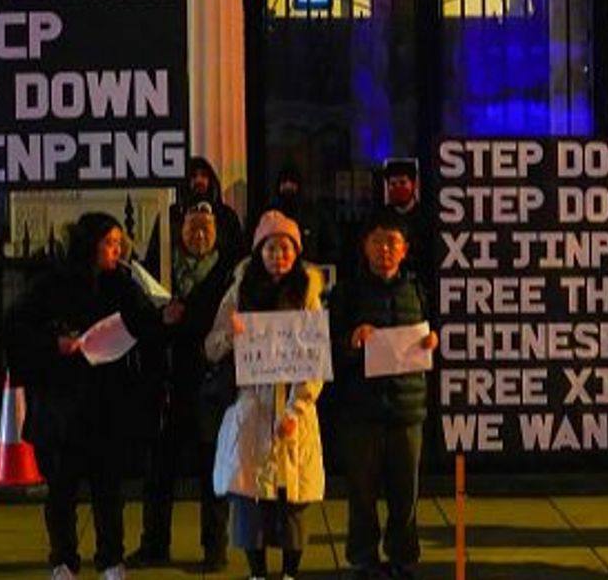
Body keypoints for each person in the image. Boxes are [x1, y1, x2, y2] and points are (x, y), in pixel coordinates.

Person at [4, 212, 174, 580]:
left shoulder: (123, 283)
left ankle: (110, 559)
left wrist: (163, 320)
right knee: (62, 490)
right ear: (89, 244)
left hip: (107, 403)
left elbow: (144, 325)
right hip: (61, 402)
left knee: (108, 488)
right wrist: (55, 342)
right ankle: (63, 559)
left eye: (118, 243)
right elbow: (16, 326)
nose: (115, 251)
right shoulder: (52, 283)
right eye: (108, 243)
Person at [205, 211, 326, 580]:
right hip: (250, 407)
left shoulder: (308, 295)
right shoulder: (239, 291)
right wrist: (232, 336)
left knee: (294, 499)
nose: (279, 255)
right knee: (249, 498)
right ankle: (257, 572)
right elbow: (211, 347)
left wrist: (296, 408)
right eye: (271, 247)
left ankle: (290, 572)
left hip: (292, 411)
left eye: (286, 248)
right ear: (259, 251)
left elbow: (314, 362)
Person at [129, 196, 239, 572]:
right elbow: (140, 322)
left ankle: (214, 547)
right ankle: (153, 543)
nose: (199, 234)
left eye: (206, 228)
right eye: (192, 226)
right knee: (160, 470)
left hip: (209, 385)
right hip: (168, 384)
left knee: (213, 471)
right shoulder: (160, 269)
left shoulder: (228, 273)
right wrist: (163, 319)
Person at [331, 211, 437, 580]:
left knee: (405, 494)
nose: (384, 250)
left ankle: (403, 557)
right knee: (362, 494)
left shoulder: (418, 290)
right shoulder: (347, 292)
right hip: (361, 411)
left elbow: (431, 335)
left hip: (408, 410)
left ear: (404, 249)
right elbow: (326, 350)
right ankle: (363, 558)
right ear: (365, 247)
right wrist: (350, 340)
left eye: (392, 242)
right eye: (377, 242)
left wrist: (431, 341)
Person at [145, 157, 247, 278]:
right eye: (193, 176)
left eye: (204, 176)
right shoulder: (171, 215)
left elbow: (238, 257)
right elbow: (155, 259)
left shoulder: (227, 216)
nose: (199, 181)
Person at [265, 166, 340, 266]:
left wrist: (315, 264)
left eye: (292, 183)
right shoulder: (268, 216)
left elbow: (332, 247)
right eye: (284, 183)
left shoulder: (314, 214)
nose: (288, 187)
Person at [380, 160, 433, 290]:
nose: (398, 188)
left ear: (413, 185)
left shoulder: (427, 217)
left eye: (403, 183)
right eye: (393, 184)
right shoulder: (381, 218)